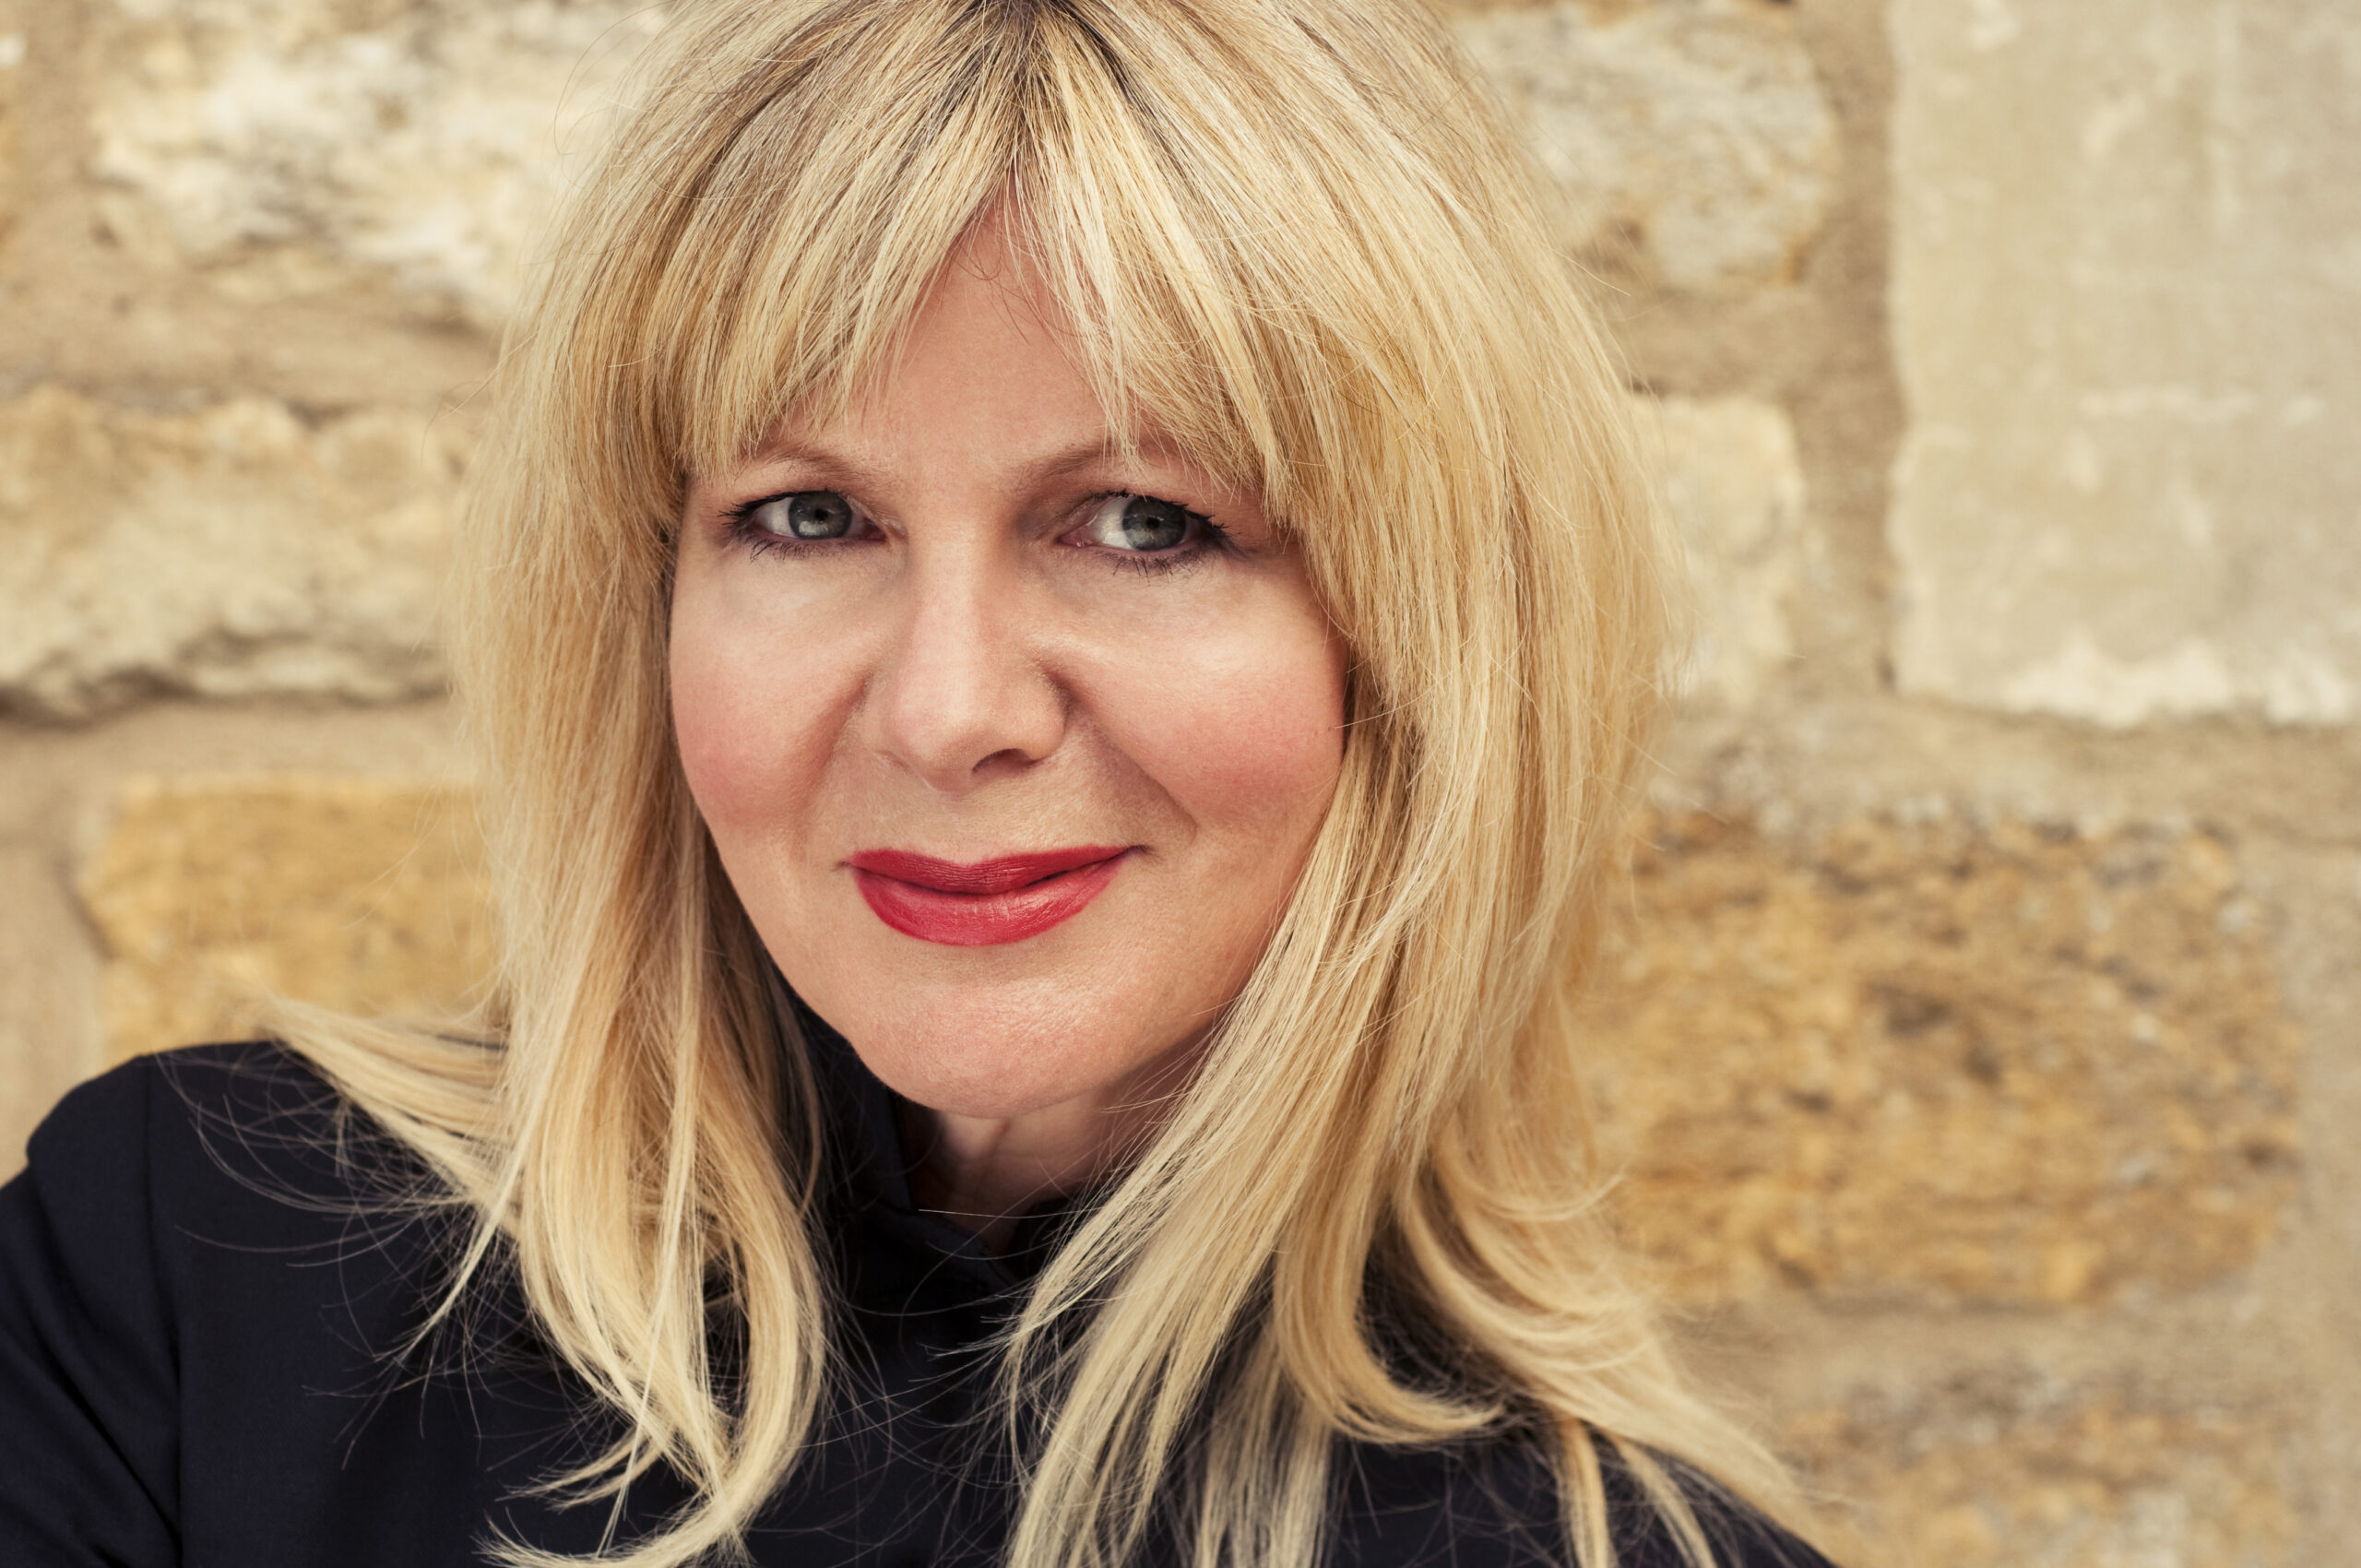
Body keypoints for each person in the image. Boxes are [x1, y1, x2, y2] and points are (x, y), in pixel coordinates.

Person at [0, 2, 1845, 1564]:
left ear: (1421, 641)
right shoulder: (187, 1276)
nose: (948, 711)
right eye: (809, 516)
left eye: (1144, 522)